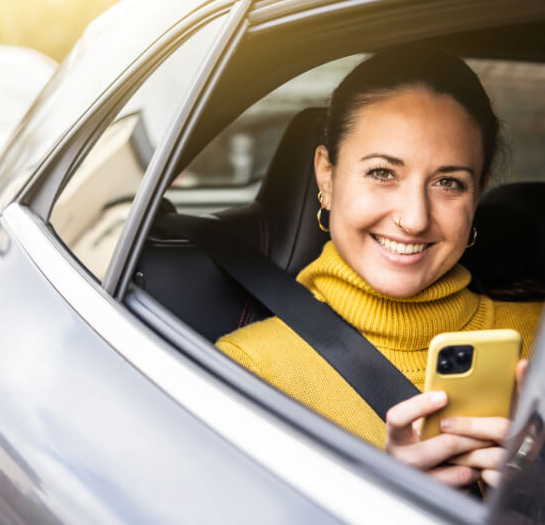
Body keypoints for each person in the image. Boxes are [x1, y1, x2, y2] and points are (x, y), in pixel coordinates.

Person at [216, 47, 543, 489]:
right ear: (327, 177)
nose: (415, 218)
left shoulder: (540, 340)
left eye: (449, 183)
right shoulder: (248, 371)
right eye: (383, 173)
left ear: (478, 194)